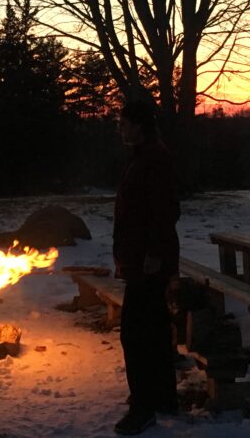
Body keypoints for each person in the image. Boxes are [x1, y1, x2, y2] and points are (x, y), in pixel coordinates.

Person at [112, 99, 180, 435]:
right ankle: (164, 398)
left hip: (149, 263)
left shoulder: (155, 158)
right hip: (140, 261)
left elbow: (165, 211)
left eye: (124, 123)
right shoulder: (141, 156)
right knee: (153, 331)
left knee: (135, 335)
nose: (121, 129)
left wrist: (153, 254)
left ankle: (144, 406)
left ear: (139, 125)